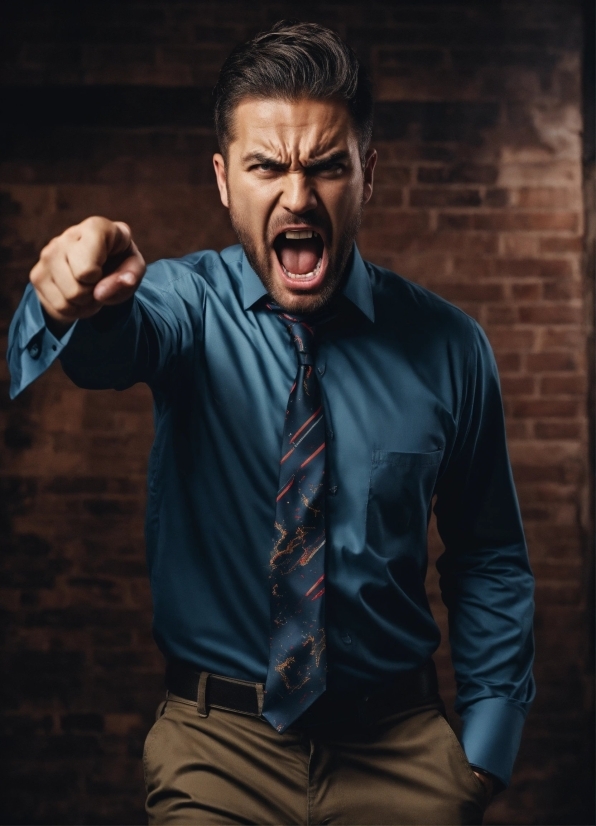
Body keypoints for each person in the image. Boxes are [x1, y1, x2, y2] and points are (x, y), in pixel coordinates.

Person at [7, 21, 534, 826]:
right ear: (224, 180)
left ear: (367, 173)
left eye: (327, 166)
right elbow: (114, 348)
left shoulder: (451, 348)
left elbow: (489, 554)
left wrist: (485, 751)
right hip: (219, 755)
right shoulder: (184, 306)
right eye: (266, 167)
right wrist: (76, 298)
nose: (298, 197)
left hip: (400, 754)